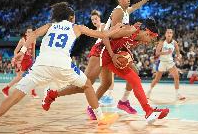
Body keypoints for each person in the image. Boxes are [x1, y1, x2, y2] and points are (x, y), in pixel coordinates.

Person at [0, 2, 121, 134]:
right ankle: (101, 120)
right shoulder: (77, 27)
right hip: (62, 64)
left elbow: (34, 34)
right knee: (87, 85)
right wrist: (116, 30)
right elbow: (102, 34)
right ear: (70, 17)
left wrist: (22, 52)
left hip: (41, 64)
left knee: (15, 95)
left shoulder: (50, 25)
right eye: (73, 16)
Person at [46, 0, 155, 118]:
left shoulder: (126, 11)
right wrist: (113, 53)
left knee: (110, 82)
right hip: (103, 48)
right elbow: (108, 35)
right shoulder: (118, 12)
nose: (129, 0)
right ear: (119, 0)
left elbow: (136, 6)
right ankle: (53, 93)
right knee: (84, 85)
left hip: (112, 49)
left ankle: (123, 101)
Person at [42, 19, 170, 124]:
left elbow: (121, 45)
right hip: (101, 52)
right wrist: (114, 56)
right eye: (152, 39)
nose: (150, 42)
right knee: (84, 86)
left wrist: (123, 56)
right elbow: (105, 37)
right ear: (147, 32)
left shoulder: (139, 37)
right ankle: (52, 95)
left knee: (131, 78)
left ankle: (148, 111)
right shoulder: (129, 30)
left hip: (112, 56)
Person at [146, 29, 186, 100]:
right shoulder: (162, 42)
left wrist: (178, 56)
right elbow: (157, 53)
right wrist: (166, 53)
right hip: (162, 62)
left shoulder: (174, 43)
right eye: (168, 32)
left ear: (172, 35)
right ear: (165, 34)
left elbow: (177, 51)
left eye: (170, 33)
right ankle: (148, 92)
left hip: (170, 62)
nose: (169, 34)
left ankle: (178, 94)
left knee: (176, 76)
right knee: (157, 79)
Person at [2, 28, 38, 98]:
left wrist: (34, 61)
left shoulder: (34, 39)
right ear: (26, 33)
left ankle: (33, 93)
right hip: (23, 60)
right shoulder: (22, 40)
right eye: (28, 32)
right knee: (19, 77)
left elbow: (33, 51)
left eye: (31, 32)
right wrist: (17, 61)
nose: (30, 33)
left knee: (33, 76)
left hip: (30, 60)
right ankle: (6, 89)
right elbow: (15, 51)